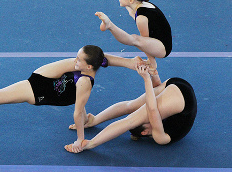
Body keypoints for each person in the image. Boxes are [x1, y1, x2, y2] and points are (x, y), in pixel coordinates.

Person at [0, 45, 141, 152]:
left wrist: (79, 141)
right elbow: (103, 59)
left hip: (39, 90)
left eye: (79, 59)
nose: (75, 59)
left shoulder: (84, 83)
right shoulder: (88, 67)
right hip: (44, 82)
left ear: (88, 67)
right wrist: (130, 62)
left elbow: (77, 108)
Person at [65, 64, 197, 153]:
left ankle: (92, 129)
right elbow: (153, 106)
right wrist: (151, 77)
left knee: (131, 111)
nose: (146, 119)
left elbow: (151, 107)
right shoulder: (162, 136)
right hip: (180, 92)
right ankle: (91, 130)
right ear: (144, 133)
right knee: (132, 112)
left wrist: (149, 78)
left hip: (178, 91)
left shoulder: (157, 134)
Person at [96, 0, 172, 74]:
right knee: (131, 11)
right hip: (160, 40)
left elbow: (145, 43)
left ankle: (110, 26)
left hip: (162, 48)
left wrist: (152, 63)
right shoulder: (141, 3)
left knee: (135, 40)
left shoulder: (141, 18)